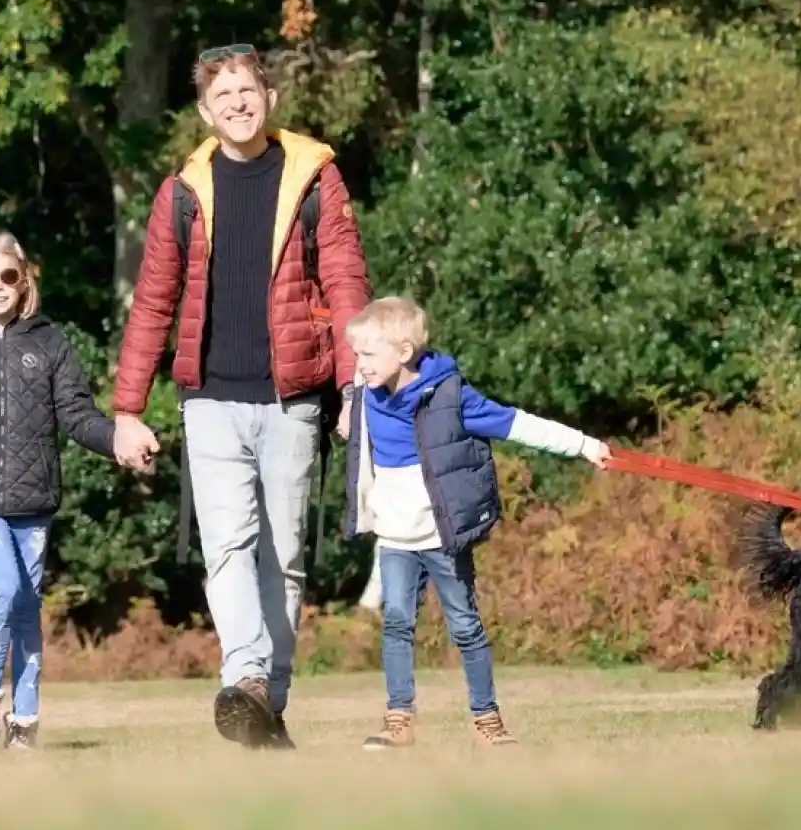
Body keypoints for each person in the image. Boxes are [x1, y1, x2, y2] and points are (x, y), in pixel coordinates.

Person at [113, 45, 371, 749]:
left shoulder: (315, 179)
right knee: (227, 546)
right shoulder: (183, 194)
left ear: (269, 97)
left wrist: (353, 386)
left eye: (246, 90)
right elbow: (152, 302)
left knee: (284, 554)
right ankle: (248, 675)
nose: (236, 103)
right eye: (222, 95)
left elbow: (347, 284)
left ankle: (268, 703)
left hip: (293, 398)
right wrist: (127, 408)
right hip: (210, 400)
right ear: (204, 112)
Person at [0, 233, 156, 751]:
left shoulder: (50, 343)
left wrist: (118, 442)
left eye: (8, 277)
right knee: (5, 586)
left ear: (24, 280)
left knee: (26, 606)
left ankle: (26, 717)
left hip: (35, 499)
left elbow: (79, 418)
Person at [342, 296, 610, 750]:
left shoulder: (450, 397)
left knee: (465, 625)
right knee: (396, 624)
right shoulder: (364, 397)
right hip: (394, 539)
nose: (359, 364)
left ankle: (487, 718)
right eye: (357, 355)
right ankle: (398, 720)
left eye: (368, 354)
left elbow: (515, 423)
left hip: (443, 536)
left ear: (404, 352)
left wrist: (583, 444)